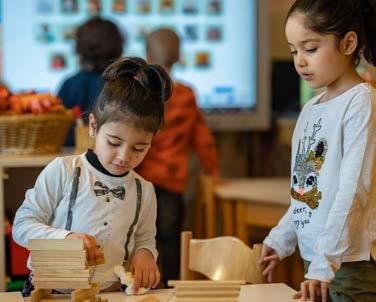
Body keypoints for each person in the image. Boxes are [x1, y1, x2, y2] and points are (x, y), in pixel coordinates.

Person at [13, 57, 173, 296]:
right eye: (114, 142)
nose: (123, 156)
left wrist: (145, 254)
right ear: (93, 126)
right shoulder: (64, 171)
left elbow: (144, 238)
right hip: (54, 292)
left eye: (139, 148)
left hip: (111, 293)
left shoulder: (144, 190)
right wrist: (64, 237)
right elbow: (22, 226)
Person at [259, 1, 376, 301]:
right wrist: (280, 240)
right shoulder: (311, 108)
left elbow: (354, 191)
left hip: (349, 264)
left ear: (348, 43)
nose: (299, 61)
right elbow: (305, 195)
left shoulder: (361, 102)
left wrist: (325, 264)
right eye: (293, 51)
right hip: (318, 263)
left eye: (310, 49)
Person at [136, 28, 219, 286]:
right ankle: (171, 287)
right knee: (171, 240)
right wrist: (213, 171)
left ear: (147, 55)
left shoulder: (139, 94)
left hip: (140, 178)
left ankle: (142, 284)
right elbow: (202, 138)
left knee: (140, 239)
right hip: (173, 181)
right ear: (178, 55)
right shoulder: (185, 94)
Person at [57, 17, 123, 146]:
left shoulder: (70, 84)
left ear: (80, 48)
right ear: (117, 47)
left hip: (71, 159)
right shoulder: (123, 85)